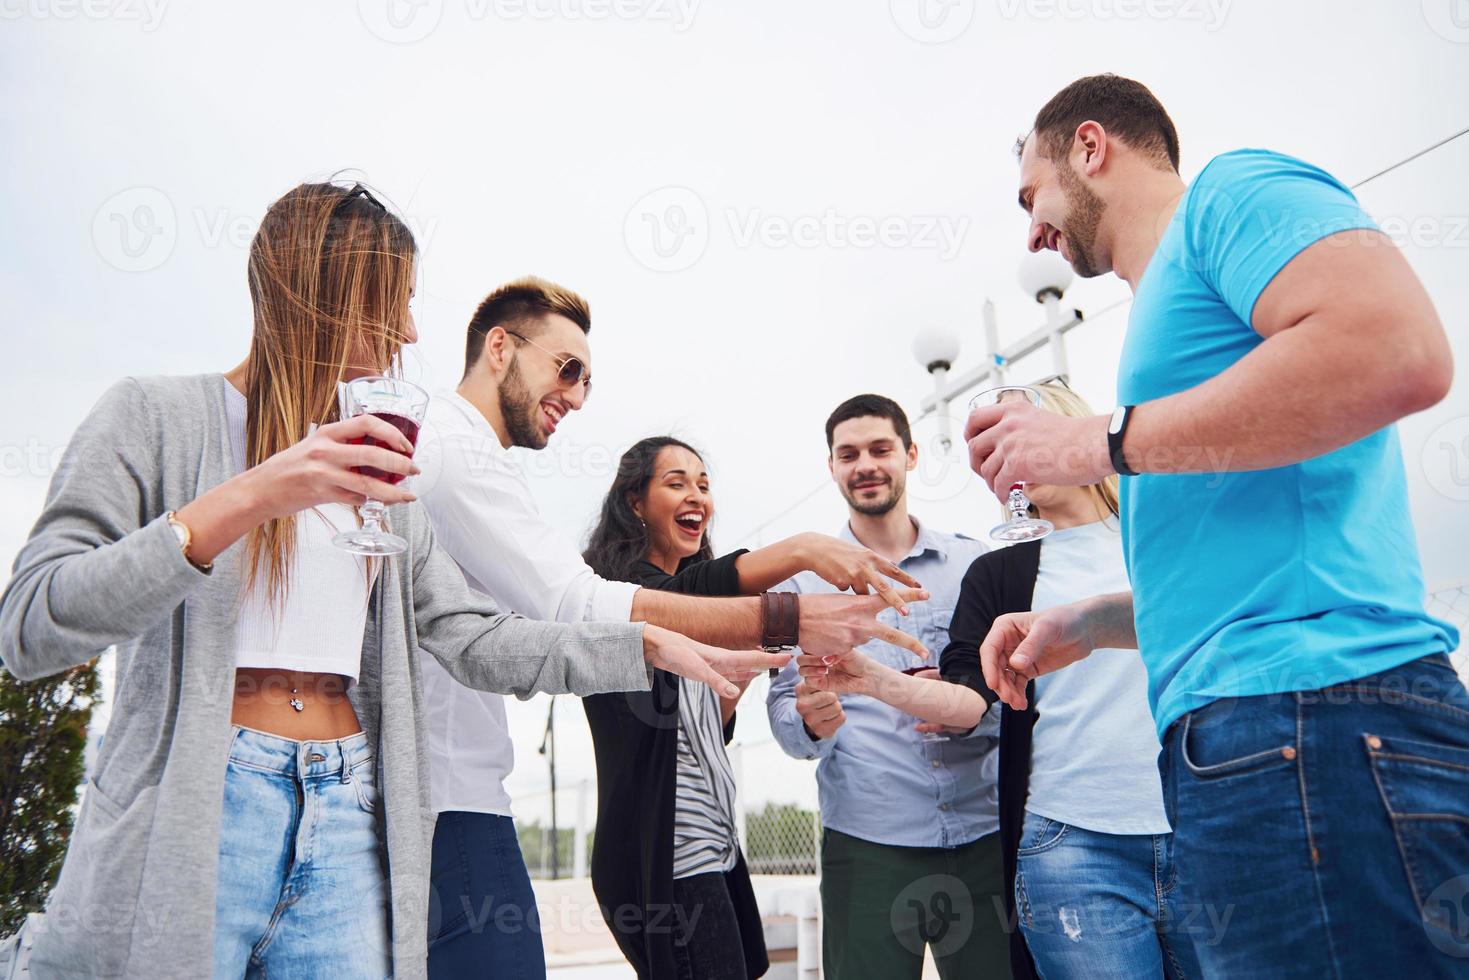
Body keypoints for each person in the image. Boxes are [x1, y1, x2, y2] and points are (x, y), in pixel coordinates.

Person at [0, 181, 781, 980]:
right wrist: (257, 493)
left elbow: (475, 637)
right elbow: (31, 624)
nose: (409, 332)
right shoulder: (154, 417)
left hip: (349, 818)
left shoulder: (384, 476)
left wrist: (643, 643)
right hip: (204, 809)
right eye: (393, 304)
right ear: (325, 289)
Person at [966, 74, 1463, 974]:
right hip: (1251, 739)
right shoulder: (1170, 329)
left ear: (1090, 147)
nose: (1032, 229)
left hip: (1314, 720)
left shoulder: (1231, 195)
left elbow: (1401, 348)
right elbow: (1237, 560)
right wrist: (1082, 624)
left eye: (1029, 196)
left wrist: (1094, 442)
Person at [411, 277, 928, 977]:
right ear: (499, 347)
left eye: (704, 485)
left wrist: (729, 695)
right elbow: (588, 602)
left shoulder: (470, 463)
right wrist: (797, 571)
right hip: (647, 853)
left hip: (708, 844)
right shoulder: (457, 452)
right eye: (568, 369)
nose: (577, 395)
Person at [800, 381, 1202, 979]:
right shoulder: (998, 572)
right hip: (1073, 846)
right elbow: (970, 702)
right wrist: (874, 680)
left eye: (1017, 439)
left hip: (1200, 826)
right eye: (990, 452)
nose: (1005, 460)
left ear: (1071, 431)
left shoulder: (1166, 539)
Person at [578, 435, 924, 979]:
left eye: (703, 485)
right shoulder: (614, 593)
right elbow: (691, 594)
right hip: (666, 853)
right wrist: (804, 549)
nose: (697, 496)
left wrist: (753, 670)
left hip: (715, 844)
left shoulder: (692, 606)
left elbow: (703, 732)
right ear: (634, 503)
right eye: (676, 483)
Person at [767, 394, 1012, 979]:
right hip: (867, 843)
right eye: (848, 454)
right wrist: (808, 721)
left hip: (985, 836)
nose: (865, 465)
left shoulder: (974, 565)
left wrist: (973, 708)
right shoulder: (798, 586)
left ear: (911, 455)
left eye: (880, 449)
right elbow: (783, 712)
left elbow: (1019, 692)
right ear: (832, 466)